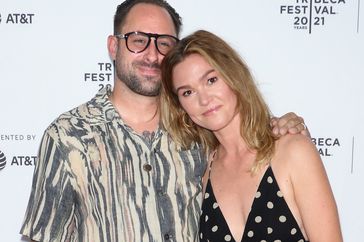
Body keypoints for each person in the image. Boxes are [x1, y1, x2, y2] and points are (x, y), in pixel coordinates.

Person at [20, 1, 308, 242]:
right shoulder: (69, 136)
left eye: (164, 43)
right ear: (113, 46)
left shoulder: (199, 130)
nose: (152, 54)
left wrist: (283, 125)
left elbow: (246, 140)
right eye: (138, 40)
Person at [160, 30, 342, 242]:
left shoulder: (293, 151)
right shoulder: (203, 171)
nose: (204, 99)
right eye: (187, 92)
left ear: (233, 76)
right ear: (180, 106)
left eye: (211, 80)